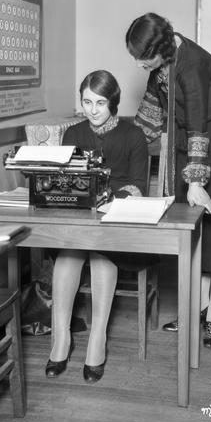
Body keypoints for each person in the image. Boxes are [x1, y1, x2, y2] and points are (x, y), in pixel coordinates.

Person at [125, 13, 211, 348]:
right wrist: (123, 143)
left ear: (162, 48)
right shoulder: (162, 62)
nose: (140, 65)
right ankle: (196, 306)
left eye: (144, 59)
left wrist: (196, 181)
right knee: (194, 228)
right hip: (188, 142)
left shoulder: (191, 65)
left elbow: (199, 125)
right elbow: (151, 115)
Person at [46, 69, 149, 382]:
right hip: (79, 219)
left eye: (100, 103)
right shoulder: (73, 134)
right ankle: (61, 339)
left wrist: (106, 194)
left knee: (102, 259)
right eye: (87, 102)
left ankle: (97, 340)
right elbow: (65, 182)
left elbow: (137, 187)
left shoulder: (133, 136)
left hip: (116, 223)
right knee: (66, 259)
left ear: (113, 102)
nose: (92, 110)